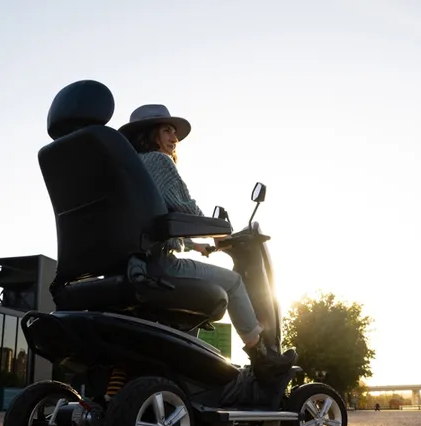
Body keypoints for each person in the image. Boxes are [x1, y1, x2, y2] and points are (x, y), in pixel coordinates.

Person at [118, 104, 297, 375]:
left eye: (175, 132)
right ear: (149, 133)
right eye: (167, 129)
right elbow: (186, 208)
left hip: (137, 262)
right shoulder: (159, 162)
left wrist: (193, 244)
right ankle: (262, 356)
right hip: (161, 265)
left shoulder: (131, 170)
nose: (174, 137)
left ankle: (194, 370)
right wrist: (221, 231)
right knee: (234, 283)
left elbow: (155, 224)